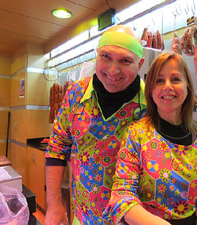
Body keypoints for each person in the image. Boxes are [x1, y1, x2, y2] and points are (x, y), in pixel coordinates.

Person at [104, 52, 197, 225]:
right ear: (151, 89)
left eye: (175, 79)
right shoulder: (136, 134)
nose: (167, 86)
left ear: (187, 87)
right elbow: (122, 196)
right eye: (159, 80)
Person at [45, 25, 146, 225]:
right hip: (83, 218)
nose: (113, 70)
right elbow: (57, 147)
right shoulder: (76, 93)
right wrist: (55, 205)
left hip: (134, 219)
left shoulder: (151, 103)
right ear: (96, 55)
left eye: (125, 60)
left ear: (140, 64)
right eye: (106, 57)